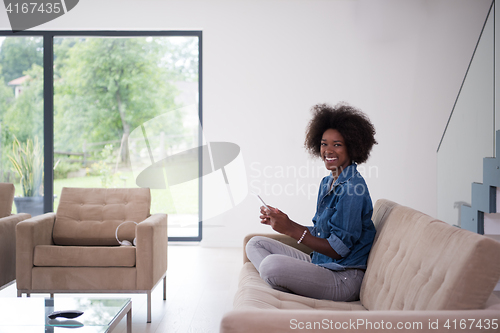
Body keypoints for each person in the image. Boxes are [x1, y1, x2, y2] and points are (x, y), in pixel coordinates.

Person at [246, 102, 377, 302]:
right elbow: (320, 233)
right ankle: (290, 282)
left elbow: (337, 249)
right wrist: (284, 221)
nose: (328, 150)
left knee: (270, 266)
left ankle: (286, 282)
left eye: (337, 144)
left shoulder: (352, 189)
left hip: (343, 277)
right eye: (324, 144)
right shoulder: (328, 182)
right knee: (255, 244)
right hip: (321, 263)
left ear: (353, 146)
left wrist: (290, 228)